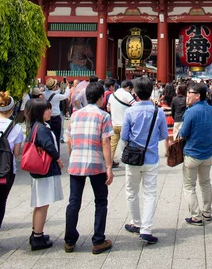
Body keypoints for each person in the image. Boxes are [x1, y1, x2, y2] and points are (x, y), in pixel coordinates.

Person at [64, 81, 114, 255]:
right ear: (101, 98)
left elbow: (69, 140)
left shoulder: (75, 115)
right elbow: (105, 142)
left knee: (74, 201)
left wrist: (72, 157)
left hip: (76, 161)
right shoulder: (103, 116)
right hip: (96, 163)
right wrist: (109, 166)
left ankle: (69, 240)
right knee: (100, 201)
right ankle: (98, 240)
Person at [121, 77, 168, 244]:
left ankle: (136, 222)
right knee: (150, 193)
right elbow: (164, 134)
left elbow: (124, 136)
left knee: (131, 191)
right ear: (151, 91)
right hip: (151, 157)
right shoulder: (158, 111)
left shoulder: (130, 111)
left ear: (135, 93)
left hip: (133, 157)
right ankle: (146, 229)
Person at [0, 92, 24, 251]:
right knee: (0, 202)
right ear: (12, 109)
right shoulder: (16, 128)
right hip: (7, 171)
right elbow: (16, 154)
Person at [27, 99, 64, 251]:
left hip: (39, 171)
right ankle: (37, 237)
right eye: (46, 110)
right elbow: (49, 146)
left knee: (39, 203)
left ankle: (36, 232)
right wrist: (58, 159)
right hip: (45, 170)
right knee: (43, 204)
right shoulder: (41, 128)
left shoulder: (36, 126)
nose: (50, 112)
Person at [180, 83, 212, 225]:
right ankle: (207, 212)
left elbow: (183, 133)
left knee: (189, 185)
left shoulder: (190, 112)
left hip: (192, 152)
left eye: (190, 93)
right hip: (207, 152)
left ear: (197, 96)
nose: (187, 95)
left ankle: (196, 216)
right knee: (205, 183)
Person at [107, 79, 135, 168]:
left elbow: (108, 108)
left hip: (114, 124)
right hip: (125, 124)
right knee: (125, 145)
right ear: (128, 88)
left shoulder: (112, 95)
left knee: (112, 146)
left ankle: (109, 164)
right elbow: (135, 107)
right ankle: (127, 163)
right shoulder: (127, 95)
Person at [42, 78, 70, 154]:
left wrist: (61, 88)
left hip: (46, 117)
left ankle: (48, 152)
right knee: (56, 137)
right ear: (54, 86)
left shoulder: (44, 94)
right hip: (56, 118)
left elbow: (53, 93)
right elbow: (66, 95)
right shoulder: (57, 96)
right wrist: (67, 87)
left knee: (48, 136)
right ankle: (56, 153)